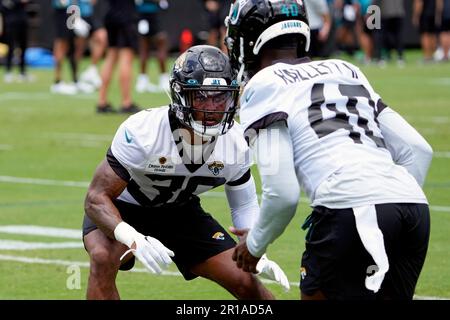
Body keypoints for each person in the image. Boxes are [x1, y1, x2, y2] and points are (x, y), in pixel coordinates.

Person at [225, 0, 433, 300]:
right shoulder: (346, 69)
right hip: (412, 208)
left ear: (250, 38)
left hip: (349, 206)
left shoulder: (263, 84)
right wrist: (389, 200)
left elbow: (282, 193)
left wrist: (254, 246)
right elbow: (417, 149)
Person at [83, 45, 289, 299]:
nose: (212, 107)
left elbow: (244, 204)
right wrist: (131, 236)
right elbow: (96, 199)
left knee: (246, 282)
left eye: (220, 97)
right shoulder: (143, 131)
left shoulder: (237, 141)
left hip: (180, 212)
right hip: (124, 208)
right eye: (202, 96)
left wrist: (257, 252)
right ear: (181, 95)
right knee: (103, 257)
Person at [96, 0, 139, 113]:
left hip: (111, 15)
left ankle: (101, 101)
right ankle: (126, 102)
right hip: (126, 16)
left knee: (110, 57)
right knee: (126, 57)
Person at [135, 0, 170, 93]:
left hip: (144, 16)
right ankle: (161, 81)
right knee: (156, 47)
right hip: (152, 16)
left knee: (145, 49)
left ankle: (145, 81)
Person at [1, 0, 32, 83]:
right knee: (10, 48)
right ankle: (8, 72)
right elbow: (4, 6)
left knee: (23, 47)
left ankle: (22, 72)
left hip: (22, 22)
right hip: (10, 23)